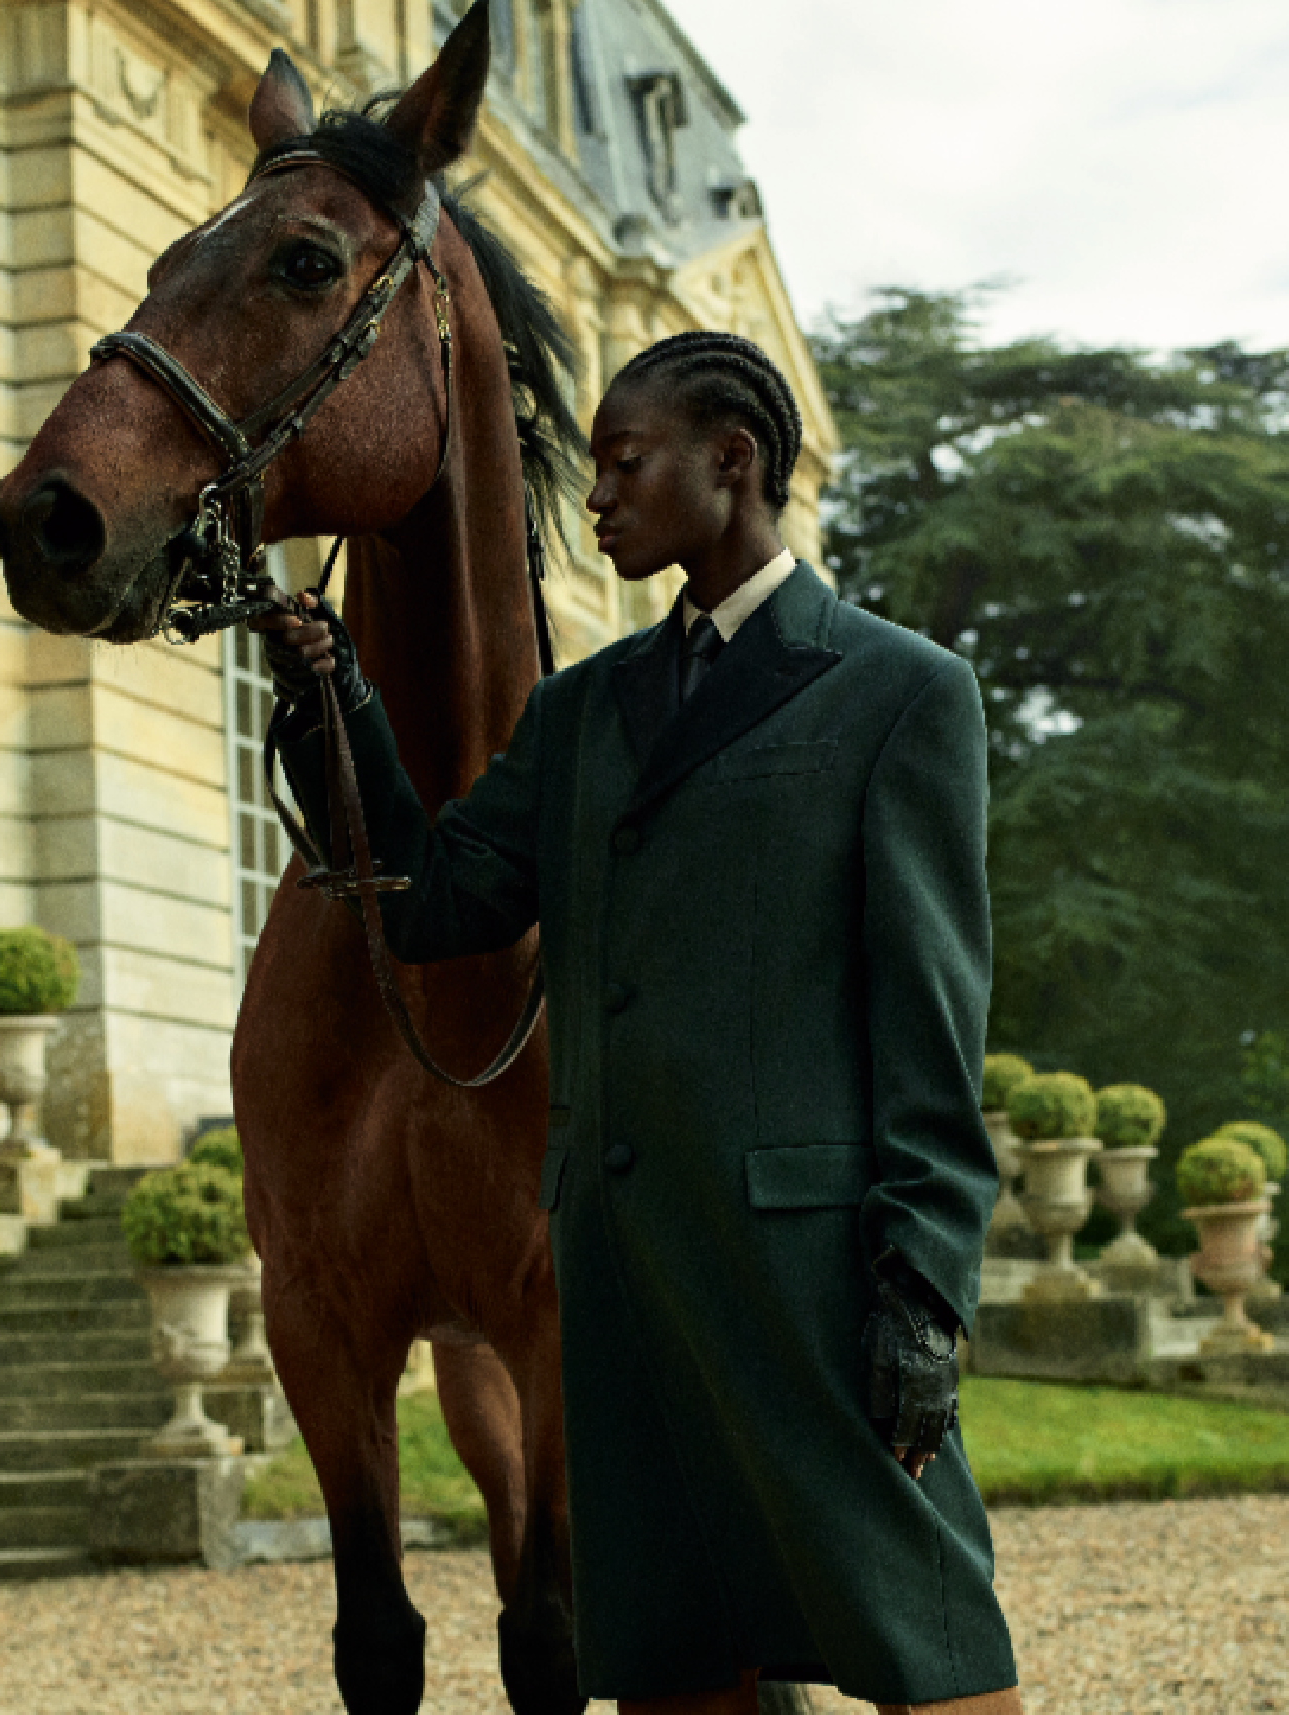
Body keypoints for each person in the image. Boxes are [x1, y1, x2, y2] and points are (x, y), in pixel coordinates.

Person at [252, 331, 1023, 1715]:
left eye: (624, 464)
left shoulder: (901, 692)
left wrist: (922, 1290)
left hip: (809, 1283)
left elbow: (931, 1021)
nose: (594, 498)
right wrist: (336, 712)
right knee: (673, 1670)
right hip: (616, 1284)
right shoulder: (581, 711)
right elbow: (435, 898)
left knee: (930, 1652)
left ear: (731, 461)